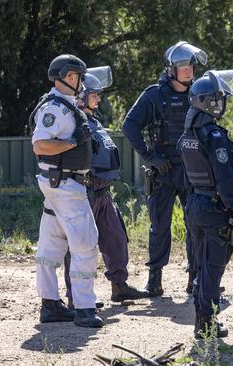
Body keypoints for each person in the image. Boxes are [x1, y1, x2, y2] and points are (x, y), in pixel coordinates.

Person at [122, 41, 208, 296]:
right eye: (183, 65)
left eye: (191, 64)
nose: (189, 69)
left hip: (192, 169)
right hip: (163, 170)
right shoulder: (153, 95)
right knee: (159, 226)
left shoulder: (199, 93)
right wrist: (150, 157)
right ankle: (154, 280)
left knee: (196, 223)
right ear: (171, 69)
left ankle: (195, 278)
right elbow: (130, 127)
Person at [61, 67, 146, 307]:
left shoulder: (94, 121)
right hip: (84, 193)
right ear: (81, 97)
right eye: (94, 94)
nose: (99, 98)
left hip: (103, 193)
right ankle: (75, 297)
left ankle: (119, 287)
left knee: (116, 239)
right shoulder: (72, 122)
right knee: (79, 247)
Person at [29, 54, 103, 328]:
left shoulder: (63, 105)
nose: (82, 83)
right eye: (80, 78)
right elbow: (40, 145)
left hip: (58, 184)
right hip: (66, 185)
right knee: (85, 243)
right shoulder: (56, 109)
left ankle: (50, 305)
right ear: (70, 77)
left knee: (52, 242)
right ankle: (84, 308)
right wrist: (72, 143)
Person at [178, 69, 233, 338]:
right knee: (213, 268)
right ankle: (206, 323)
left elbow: (187, 176)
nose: (221, 103)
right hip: (214, 208)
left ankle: (202, 319)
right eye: (217, 99)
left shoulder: (187, 136)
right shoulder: (215, 137)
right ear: (208, 102)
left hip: (195, 204)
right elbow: (224, 181)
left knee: (200, 266)